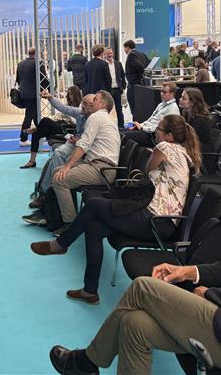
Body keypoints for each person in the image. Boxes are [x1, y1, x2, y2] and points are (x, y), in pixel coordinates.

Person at [49, 153, 221, 375]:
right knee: (134, 324)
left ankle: (86, 363)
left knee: (143, 287)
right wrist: (186, 272)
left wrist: (211, 294)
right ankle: (86, 364)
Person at [31, 114, 201, 304]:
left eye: (159, 129)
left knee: (94, 205)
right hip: (158, 219)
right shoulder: (182, 152)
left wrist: (153, 154)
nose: (155, 132)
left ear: (169, 136)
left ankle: (61, 244)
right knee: (94, 228)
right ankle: (89, 291)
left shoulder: (165, 147)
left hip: (155, 221)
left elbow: (147, 169)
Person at [50, 91, 121, 235]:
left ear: (102, 104)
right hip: (99, 166)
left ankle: (70, 225)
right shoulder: (104, 118)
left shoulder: (96, 117)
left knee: (59, 179)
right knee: (56, 171)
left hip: (101, 169)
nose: (91, 102)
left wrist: (68, 166)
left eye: (95, 99)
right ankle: (57, 215)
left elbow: (83, 145)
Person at [22, 91, 90, 225]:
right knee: (55, 156)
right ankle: (45, 194)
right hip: (74, 141)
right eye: (83, 103)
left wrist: (68, 164)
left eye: (86, 104)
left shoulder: (94, 119)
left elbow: (88, 142)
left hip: (81, 146)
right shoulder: (81, 112)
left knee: (57, 161)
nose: (83, 106)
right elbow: (64, 108)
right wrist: (51, 98)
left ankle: (45, 194)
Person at [20, 86, 83, 169]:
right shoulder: (68, 105)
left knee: (45, 120)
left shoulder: (81, 107)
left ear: (76, 94)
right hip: (62, 126)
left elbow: (76, 121)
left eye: (72, 94)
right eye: (69, 94)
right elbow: (58, 115)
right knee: (36, 134)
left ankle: (35, 129)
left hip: (69, 130)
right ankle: (32, 161)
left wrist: (68, 116)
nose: (70, 96)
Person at [122, 83, 180, 148]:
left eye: (164, 92)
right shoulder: (161, 104)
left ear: (172, 94)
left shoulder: (173, 109)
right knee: (122, 127)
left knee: (121, 135)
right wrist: (138, 125)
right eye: (161, 91)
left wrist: (141, 128)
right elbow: (150, 121)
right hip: (145, 128)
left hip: (151, 136)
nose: (161, 94)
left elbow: (162, 129)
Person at [16, 47, 48, 146]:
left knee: (35, 115)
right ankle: (23, 139)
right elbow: (44, 78)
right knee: (29, 116)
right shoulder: (38, 63)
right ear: (37, 53)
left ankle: (41, 135)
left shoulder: (20, 64)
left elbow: (18, 79)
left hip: (23, 93)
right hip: (34, 94)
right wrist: (50, 89)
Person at [179, 87, 215, 153]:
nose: (180, 99)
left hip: (203, 153)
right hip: (193, 149)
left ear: (192, 102)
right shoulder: (187, 116)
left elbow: (187, 139)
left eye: (183, 98)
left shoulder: (200, 121)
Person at [122, 40, 149, 116]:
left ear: (128, 47)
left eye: (124, 48)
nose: (124, 50)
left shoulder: (131, 55)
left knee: (134, 107)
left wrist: (140, 76)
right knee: (140, 106)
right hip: (141, 85)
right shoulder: (142, 54)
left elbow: (140, 67)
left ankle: (135, 121)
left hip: (134, 85)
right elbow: (148, 64)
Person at [104, 47, 126, 128]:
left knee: (119, 109)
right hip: (108, 90)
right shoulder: (103, 65)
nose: (109, 55)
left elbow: (123, 75)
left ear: (112, 53)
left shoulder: (118, 63)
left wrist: (123, 87)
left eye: (110, 53)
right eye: (107, 53)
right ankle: (107, 126)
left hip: (117, 90)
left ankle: (121, 126)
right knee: (106, 110)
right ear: (105, 54)